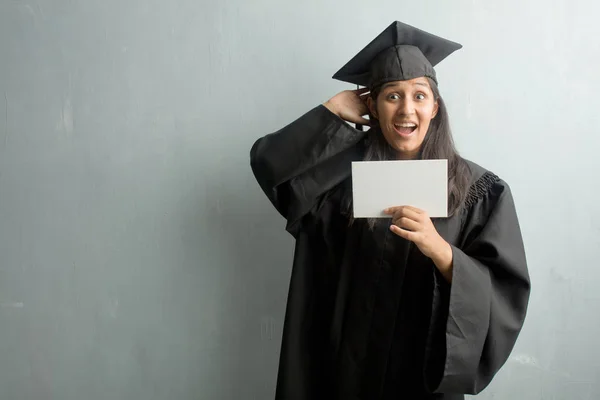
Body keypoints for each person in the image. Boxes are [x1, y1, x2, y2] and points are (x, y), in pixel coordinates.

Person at [250, 21, 531, 400]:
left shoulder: (478, 192)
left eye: (419, 95)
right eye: (392, 96)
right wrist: (331, 112)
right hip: (339, 373)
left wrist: (443, 253)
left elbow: (505, 292)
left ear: (434, 107)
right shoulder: (338, 181)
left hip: (418, 378)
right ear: (372, 105)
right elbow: (272, 170)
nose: (406, 109)